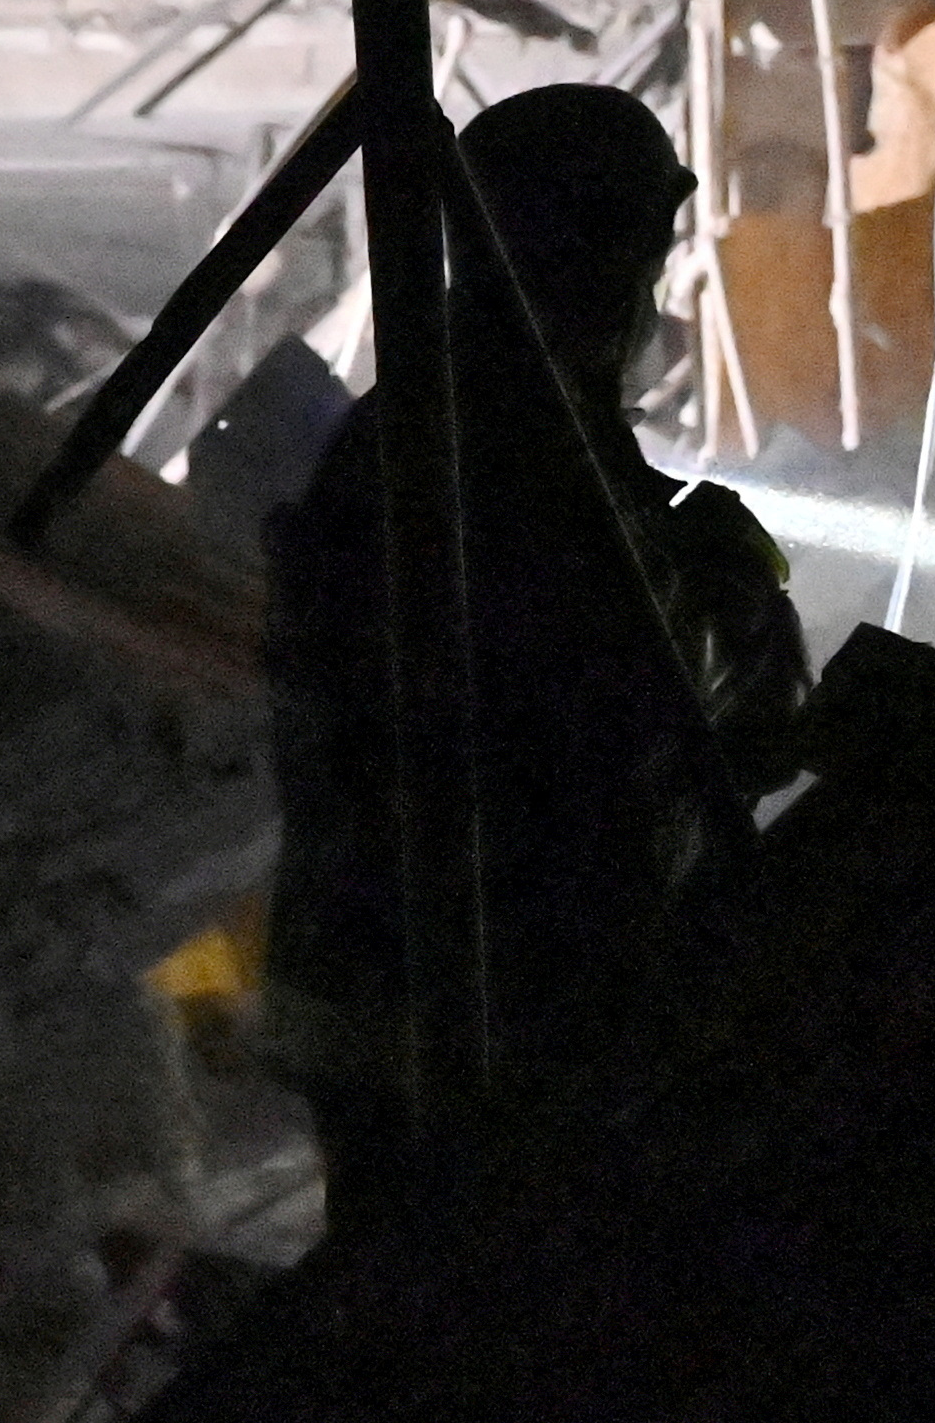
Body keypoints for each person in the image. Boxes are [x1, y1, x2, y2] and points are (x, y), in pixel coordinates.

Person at [261, 84, 806, 1229]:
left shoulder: (417, 421)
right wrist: (736, 594)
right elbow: (626, 712)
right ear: (610, 257)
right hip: (498, 1005)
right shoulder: (525, 453)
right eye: (649, 257)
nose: (655, 294)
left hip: (383, 979)